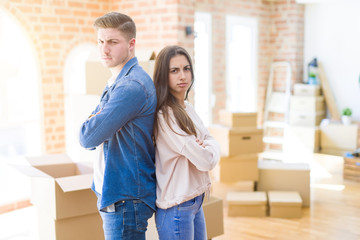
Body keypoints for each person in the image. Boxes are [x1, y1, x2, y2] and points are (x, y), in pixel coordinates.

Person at [79, 12, 156, 240]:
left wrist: (95, 122)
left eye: (112, 42)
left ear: (131, 44)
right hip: (117, 193)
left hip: (125, 198)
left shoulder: (130, 86)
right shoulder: (117, 81)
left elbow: (87, 137)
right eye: (100, 42)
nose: (104, 49)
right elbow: (94, 137)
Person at [152, 45, 220, 240]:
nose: (182, 76)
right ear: (164, 76)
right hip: (176, 208)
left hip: (194, 201)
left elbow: (210, 140)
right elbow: (206, 161)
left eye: (186, 68)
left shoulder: (187, 108)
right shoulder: (166, 115)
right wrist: (206, 147)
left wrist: (207, 146)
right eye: (174, 71)